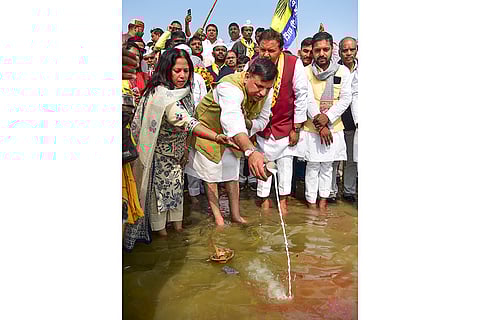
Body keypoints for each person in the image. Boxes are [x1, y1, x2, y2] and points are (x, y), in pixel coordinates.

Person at [130, 48, 231, 236]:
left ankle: (177, 234)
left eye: (186, 71)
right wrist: (216, 137)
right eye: (177, 71)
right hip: (158, 158)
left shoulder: (182, 92)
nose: (183, 75)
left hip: (176, 158)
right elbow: (187, 121)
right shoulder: (161, 95)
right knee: (159, 200)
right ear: (167, 70)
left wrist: (185, 149)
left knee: (175, 197)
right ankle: (165, 241)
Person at [185, 57, 278, 226]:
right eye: (259, 86)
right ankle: (218, 218)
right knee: (211, 174)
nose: (263, 93)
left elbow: (263, 120)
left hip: (238, 134)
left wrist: (248, 124)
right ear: (247, 76)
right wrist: (250, 151)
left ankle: (235, 215)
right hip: (209, 129)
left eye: (267, 88)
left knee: (232, 172)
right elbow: (232, 120)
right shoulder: (229, 87)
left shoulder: (266, 89)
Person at [254, 28, 308, 213]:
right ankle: (264, 202)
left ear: (281, 49)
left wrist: (297, 127)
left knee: (285, 166)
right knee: (262, 165)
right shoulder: (253, 65)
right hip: (262, 127)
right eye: (262, 50)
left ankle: (283, 202)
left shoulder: (294, 63)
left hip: (285, 125)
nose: (266, 54)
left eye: (271, 51)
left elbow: (302, 95)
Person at [301, 31, 352, 210]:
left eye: (325, 49)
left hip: (334, 128)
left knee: (328, 167)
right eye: (317, 50)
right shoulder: (305, 72)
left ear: (332, 49)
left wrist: (328, 118)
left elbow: (345, 99)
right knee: (313, 166)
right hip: (312, 128)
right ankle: (311, 204)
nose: (321, 54)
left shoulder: (343, 71)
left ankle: (322, 204)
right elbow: (305, 99)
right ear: (312, 51)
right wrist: (319, 122)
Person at [336, 36, 358, 203]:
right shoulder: (334, 70)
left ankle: (349, 191)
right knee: (334, 158)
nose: (348, 53)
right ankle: (330, 192)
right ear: (339, 51)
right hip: (336, 121)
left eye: (352, 49)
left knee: (351, 159)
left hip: (354, 122)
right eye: (345, 50)